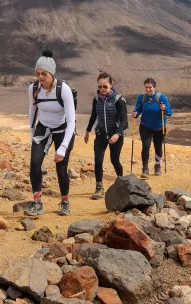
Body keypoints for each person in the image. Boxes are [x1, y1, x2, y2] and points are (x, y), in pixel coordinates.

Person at [26, 50, 76, 216]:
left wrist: (62, 148)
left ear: (51, 73)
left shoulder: (64, 90)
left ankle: (65, 202)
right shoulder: (34, 88)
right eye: (38, 73)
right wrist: (32, 132)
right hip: (43, 128)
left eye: (44, 74)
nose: (40, 77)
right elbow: (32, 110)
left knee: (61, 168)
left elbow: (71, 122)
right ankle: (37, 202)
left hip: (63, 130)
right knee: (35, 163)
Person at [84, 72, 127, 199]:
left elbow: (124, 120)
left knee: (114, 160)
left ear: (111, 85)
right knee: (98, 160)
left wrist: (118, 134)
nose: (102, 89)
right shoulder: (96, 99)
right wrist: (87, 131)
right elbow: (93, 116)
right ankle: (99, 187)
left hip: (115, 136)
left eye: (105, 86)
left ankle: (121, 183)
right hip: (101, 134)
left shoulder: (119, 100)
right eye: (99, 87)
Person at [132, 78, 172, 179]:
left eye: (150, 87)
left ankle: (157, 165)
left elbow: (169, 112)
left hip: (159, 127)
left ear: (154, 87)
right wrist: (135, 114)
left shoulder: (161, 97)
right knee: (146, 146)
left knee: (158, 146)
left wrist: (164, 109)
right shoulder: (142, 97)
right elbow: (138, 110)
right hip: (145, 126)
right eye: (146, 87)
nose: (148, 90)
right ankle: (145, 168)